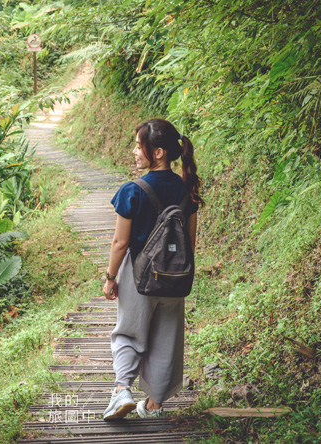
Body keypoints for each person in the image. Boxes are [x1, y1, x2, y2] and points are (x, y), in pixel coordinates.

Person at [102, 118, 201, 420]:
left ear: (158, 152)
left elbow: (120, 243)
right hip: (176, 275)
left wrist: (109, 278)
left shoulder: (133, 190)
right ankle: (154, 406)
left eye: (138, 145)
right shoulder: (187, 189)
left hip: (139, 274)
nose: (134, 151)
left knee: (129, 334)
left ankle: (121, 391)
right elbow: (191, 241)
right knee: (166, 337)